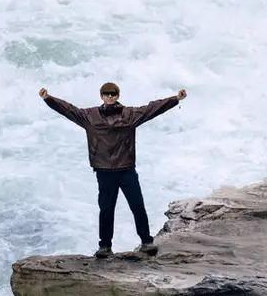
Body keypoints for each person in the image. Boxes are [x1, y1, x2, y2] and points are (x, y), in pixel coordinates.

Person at [39, 82, 187, 258]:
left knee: (137, 206)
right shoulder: (89, 116)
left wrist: (176, 98)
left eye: (113, 94)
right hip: (104, 171)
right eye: (106, 94)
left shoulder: (130, 115)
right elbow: (68, 110)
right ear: (101, 96)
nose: (110, 96)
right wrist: (48, 98)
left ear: (118, 96)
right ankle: (105, 246)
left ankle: (146, 242)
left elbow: (152, 108)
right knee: (107, 210)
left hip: (126, 170)